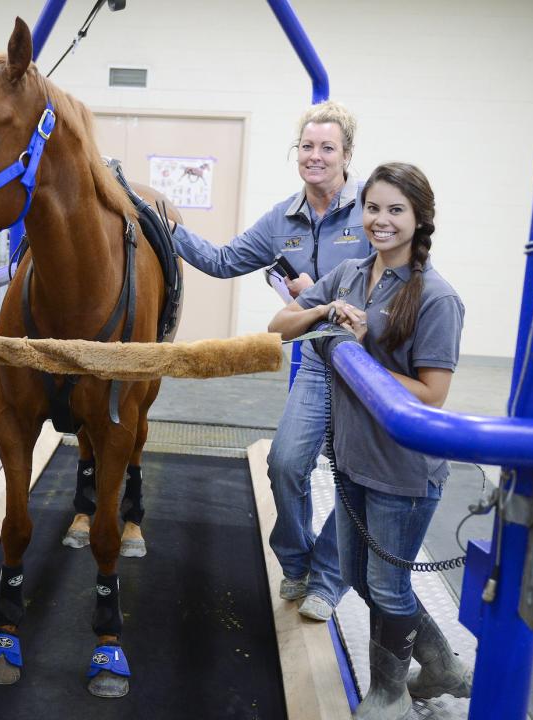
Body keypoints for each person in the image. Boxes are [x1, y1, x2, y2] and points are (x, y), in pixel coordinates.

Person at [269, 162, 472, 718]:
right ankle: (445, 668)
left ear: (420, 219)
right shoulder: (353, 274)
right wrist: (322, 309)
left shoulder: (435, 297)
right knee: (361, 578)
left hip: (403, 472)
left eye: (395, 211)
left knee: (387, 587)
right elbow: (278, 325)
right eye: (374, 208)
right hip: (356, 459)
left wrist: (357, 352)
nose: (381, 220)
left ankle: (389, 694)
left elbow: (431, 395)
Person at [159, 99, 369, 620]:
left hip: (369, 365)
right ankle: (296, 564)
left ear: (346, 155)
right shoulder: (284, 220)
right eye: (306, 147)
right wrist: (164, 225)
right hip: (319, 359)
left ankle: (327, 579)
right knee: (285, 464)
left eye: (327, 148)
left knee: (355, 476)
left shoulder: (372, 210)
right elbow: (223, 261)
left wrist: (314, 294)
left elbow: (396, 275)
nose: (314, 157)